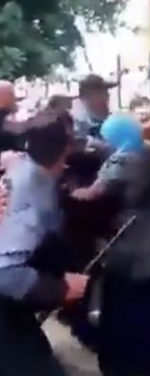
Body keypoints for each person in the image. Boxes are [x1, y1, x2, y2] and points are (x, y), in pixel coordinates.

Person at [70, 113, 150, 376]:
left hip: (134, 245)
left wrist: (69, 190)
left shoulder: (123, 163)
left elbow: (93, 194)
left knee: (133, 313)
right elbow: (119, 148)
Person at [0, 111, 88, 376]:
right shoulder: (30, 198)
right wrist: (61, 289)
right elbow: (6, 274)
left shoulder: (27, 169)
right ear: (65, 148)